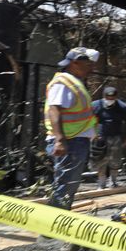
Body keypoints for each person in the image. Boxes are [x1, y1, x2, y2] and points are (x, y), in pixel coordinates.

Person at [44, 46, 100, 209]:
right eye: (88, 65)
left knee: (68, 184)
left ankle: (56, 220)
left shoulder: (73, 82)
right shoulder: (63, 82)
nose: (92, 68)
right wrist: (60, 140)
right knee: (65, 185)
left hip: (74, 140)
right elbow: (55, 109)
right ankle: (53, 225)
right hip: (69, 142)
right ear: (75, 63)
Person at [91, 86, 126, 189]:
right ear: (104, 96)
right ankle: (101, 184)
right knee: (100, 161)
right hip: (100, 137)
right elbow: (88, 120)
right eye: (108, 97)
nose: (110, 100)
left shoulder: (123, 107)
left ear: (116, 97)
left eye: (113, 98)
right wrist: (92, 134)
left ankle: (113, 182)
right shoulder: (96, 105)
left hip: (116, 137)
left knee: (115, 161)